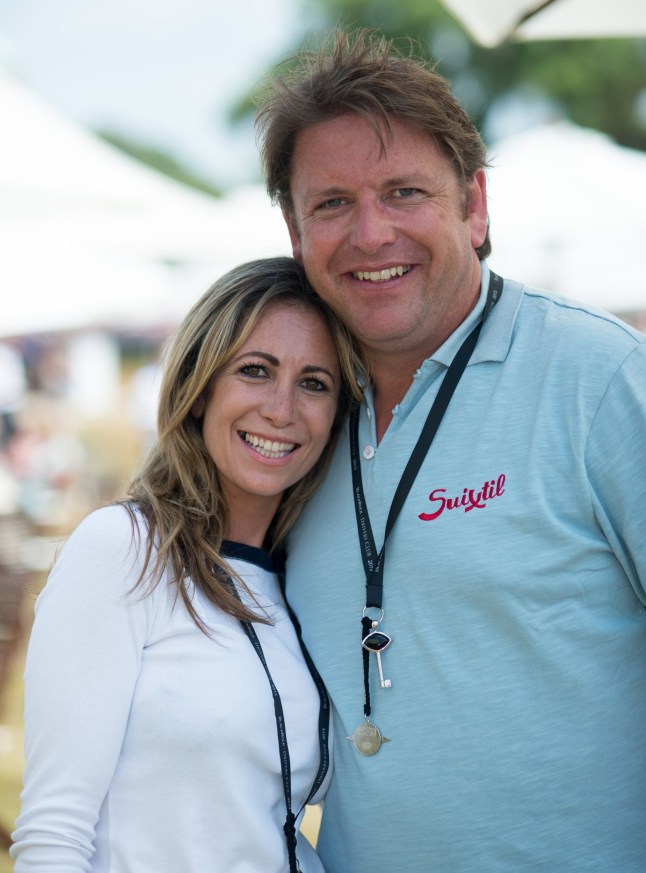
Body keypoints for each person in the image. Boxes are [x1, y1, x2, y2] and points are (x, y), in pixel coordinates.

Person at [255, 29, 646, 872]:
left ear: (473, 204)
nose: (371, 233)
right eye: (331, 204)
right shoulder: (296, 418)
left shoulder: (601, 379)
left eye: (404, 192)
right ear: (294, 231)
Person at [10, 257, 366, 873]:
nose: (282, 409)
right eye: (255, 371)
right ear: (200, 390)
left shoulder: (303, 585)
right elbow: (52, 836)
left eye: (315, 383)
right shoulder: (123, 551)